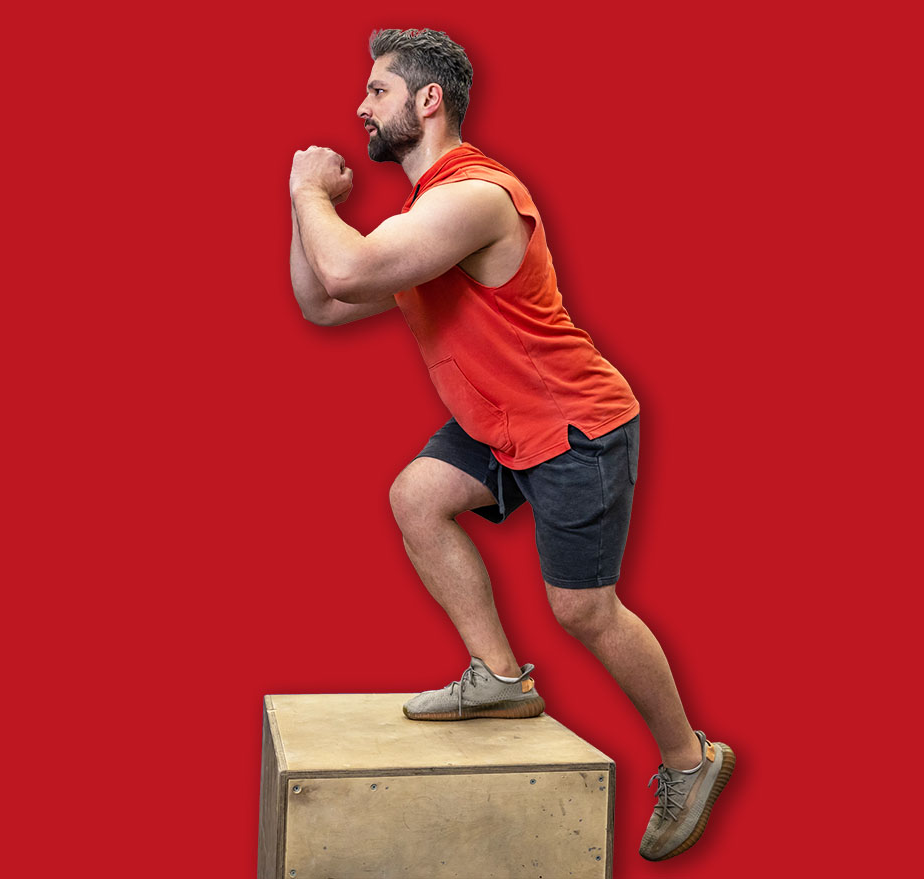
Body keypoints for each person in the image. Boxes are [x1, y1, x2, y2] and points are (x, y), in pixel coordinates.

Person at [288, 27, 733, 861]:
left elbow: (345, 273)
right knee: (417, 496)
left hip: (572, 423)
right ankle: (497, 676)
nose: (360, 105)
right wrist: (300, 204)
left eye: (377, 90)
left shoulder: (475, 198)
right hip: (498, 420)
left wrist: (311, 193)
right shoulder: (426, 216)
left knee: (583, 611)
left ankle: (690, 758)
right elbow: (322, 303)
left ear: (428, 101)